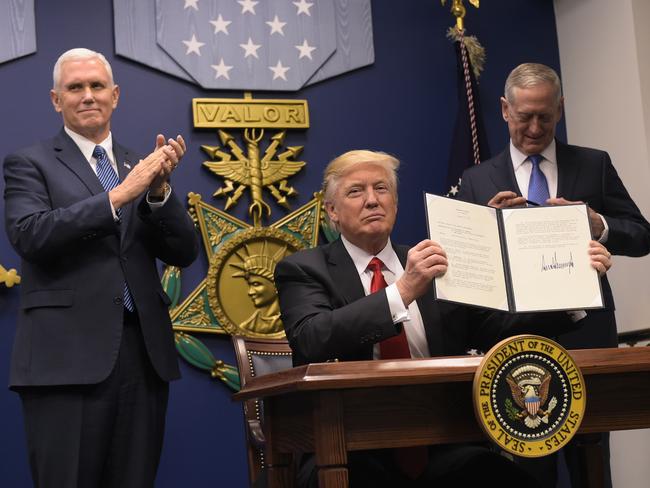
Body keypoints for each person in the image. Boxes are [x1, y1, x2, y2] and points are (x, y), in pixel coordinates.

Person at [274, 149, 612, 488]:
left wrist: (576, 286)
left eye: (381, 189)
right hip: (350, 443)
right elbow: (313, 337)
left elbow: (491, 329)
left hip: (440, 438)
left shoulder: (434, 263)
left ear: (396, 201)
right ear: (332, 211)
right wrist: (402, 290)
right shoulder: (304, 269)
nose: (372, 200)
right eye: (355, 191)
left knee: (499, 475)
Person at [3, 48, 199, 487]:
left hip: (141, 356)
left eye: (96, 86)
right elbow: (30, 235)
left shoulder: (142, 165)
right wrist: (117, 197)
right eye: (75, 87)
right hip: (66, 361)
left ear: (115, 95)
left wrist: (158, 193)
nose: (87, 95)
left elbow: (185, 253)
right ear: (57, 100)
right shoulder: (29, 163)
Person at [457, 62, 650, 487]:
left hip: (588, 336)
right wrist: (486, 230)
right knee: (528, 470)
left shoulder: (594, 164)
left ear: (560, 110)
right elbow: (463, 269)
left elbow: (641, 235)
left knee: (593, 465)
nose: (535, 127)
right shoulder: (474, 180)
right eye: (524, 116)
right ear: (505, 109)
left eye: (545, 115)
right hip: (514, 343)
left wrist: (597, 224)